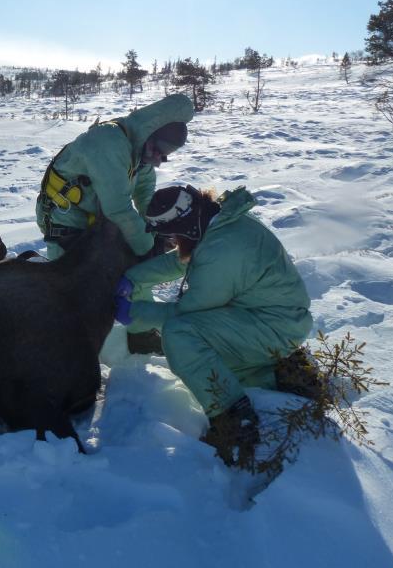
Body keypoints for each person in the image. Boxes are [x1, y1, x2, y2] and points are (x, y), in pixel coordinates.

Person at [114, 184, 313, 467]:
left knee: (181, 335)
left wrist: (135, 313)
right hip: (272, 319)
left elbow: (187, 311)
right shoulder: (219, 225)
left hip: (274, 328)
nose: (171, 241)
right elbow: (183, 262)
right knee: (209, 349)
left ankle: (234, 419)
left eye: (172, 234)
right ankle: (274, 374)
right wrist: (135, 278)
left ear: (188, 227)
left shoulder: (222, 248)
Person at [35, 93, 194, 353]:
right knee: (65, 283)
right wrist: (147, 246)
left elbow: (145, 199)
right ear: (149, 134)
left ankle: (140, 333)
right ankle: (58, 346)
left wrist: (157, 231)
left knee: (137, 269)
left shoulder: (140, 151)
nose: (156, 160)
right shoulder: (107, 142)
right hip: (63, 220)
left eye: (164, 157)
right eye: (157, 151)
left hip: (97, 219)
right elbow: (118, 208)